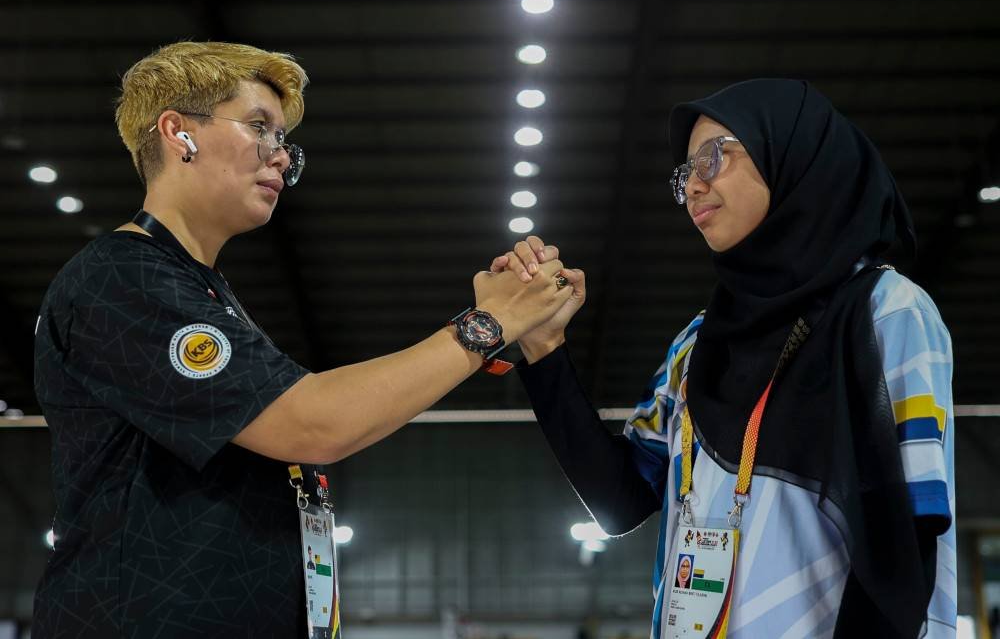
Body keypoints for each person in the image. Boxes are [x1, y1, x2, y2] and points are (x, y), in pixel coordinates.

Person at [32, 41, 573, 638]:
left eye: (284, 141)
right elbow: (313, 422)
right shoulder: (122, 278)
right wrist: (486, 325)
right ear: (177, 133)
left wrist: (500, 323)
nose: (281, 159)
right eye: (260, 129)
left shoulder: (200, 291)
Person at [495, 80, 956, 637]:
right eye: (683, 173)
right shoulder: (698, 344)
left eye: (714, 156)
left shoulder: (884, 312)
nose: (692, 184)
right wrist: (544, 350)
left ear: (792, 152)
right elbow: (619, 501)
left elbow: (904, 536)